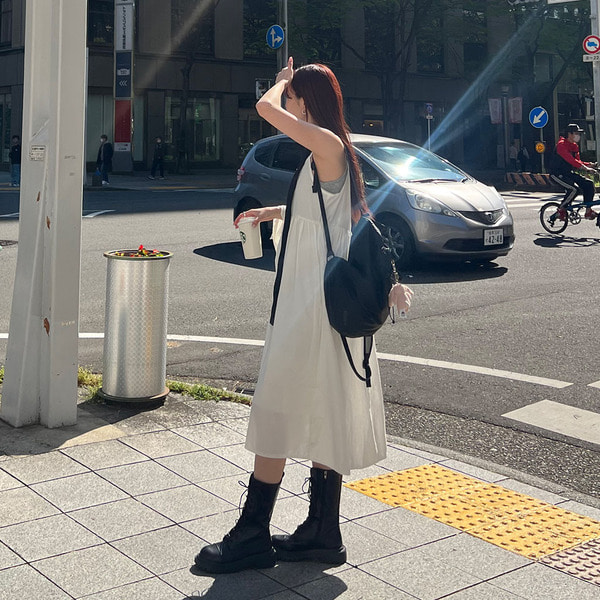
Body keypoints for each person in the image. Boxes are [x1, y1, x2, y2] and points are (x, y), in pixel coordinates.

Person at [194, 57, 414, 574]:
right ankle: (322, 531)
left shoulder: (329, 145)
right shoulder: (326, 154)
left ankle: (253, 533)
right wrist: (272, 213)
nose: (286, 105)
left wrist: (276, 85)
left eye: (294, 98)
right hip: (318, 308)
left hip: (313, 308)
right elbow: (334, 218)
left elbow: (263, 109)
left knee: (277, 404)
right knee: (323, 406)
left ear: (306, 102)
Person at [549, 124, 598, 221]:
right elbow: (570, 160)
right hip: (557, 174)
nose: (578, 136)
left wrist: (590, 165)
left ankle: (588, 211)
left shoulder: (574, 146)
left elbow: (577, 162)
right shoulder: (561, 145)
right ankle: (561, 210)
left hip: (568, 173)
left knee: (589, 184)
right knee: (574, 189)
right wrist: (585, 168)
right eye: (576, 133)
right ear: (569, 134)